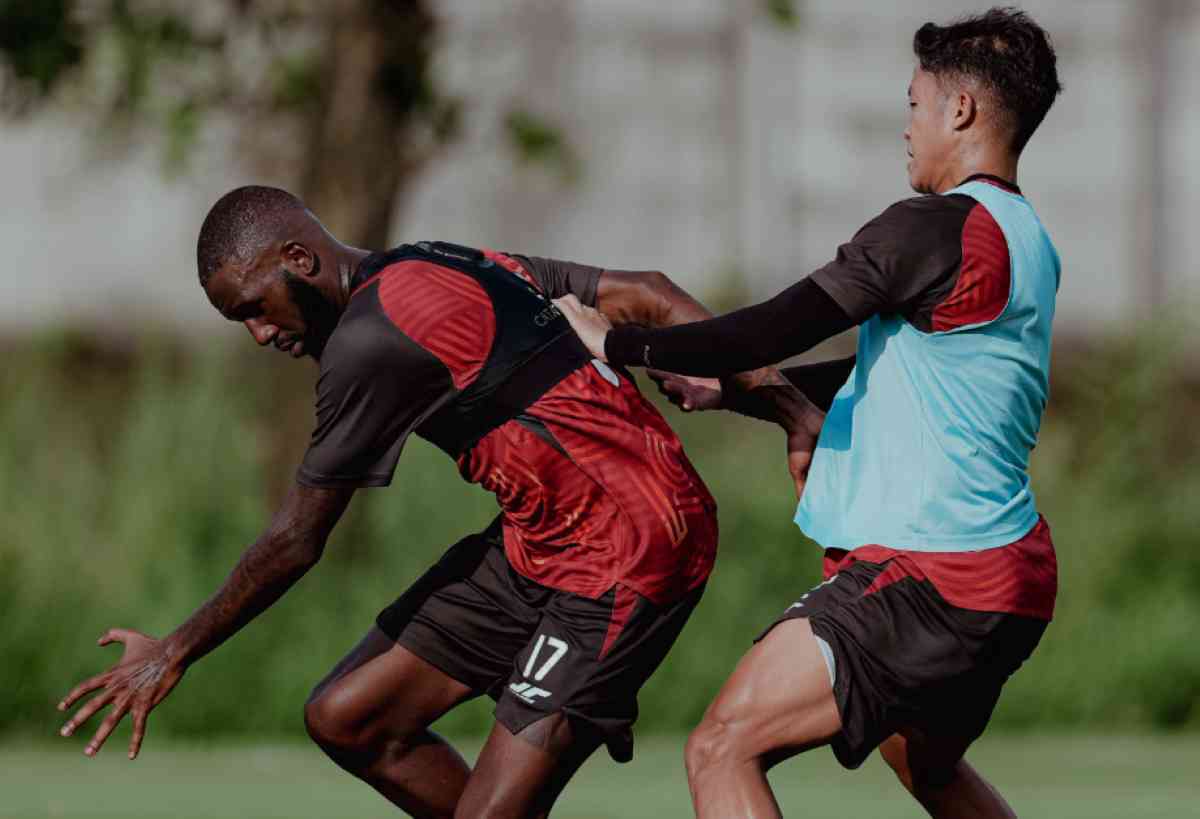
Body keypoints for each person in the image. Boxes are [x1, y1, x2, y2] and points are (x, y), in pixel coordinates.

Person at [54, 186, 808, 818]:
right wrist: (786, 410)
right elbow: (649, 293)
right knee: (348, 715)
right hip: (540, 544)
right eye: (237, 320)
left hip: (629, 550)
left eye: (256, 306)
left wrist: (172, 651)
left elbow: (296, 538)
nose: (257, 333)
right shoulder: (432, 260)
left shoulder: (369, 340)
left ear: (299, 260)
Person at [556, 7, 1063, 818]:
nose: (906, 127)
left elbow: (775, 321)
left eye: (913, 103)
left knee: (721, 747)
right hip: (1014, 576)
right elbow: (894, 377)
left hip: (934, 575)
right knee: (926, 765)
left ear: (959, 111)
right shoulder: (1027, 237)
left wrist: (620, 347)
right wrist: (739, 393)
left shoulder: (930, 230)